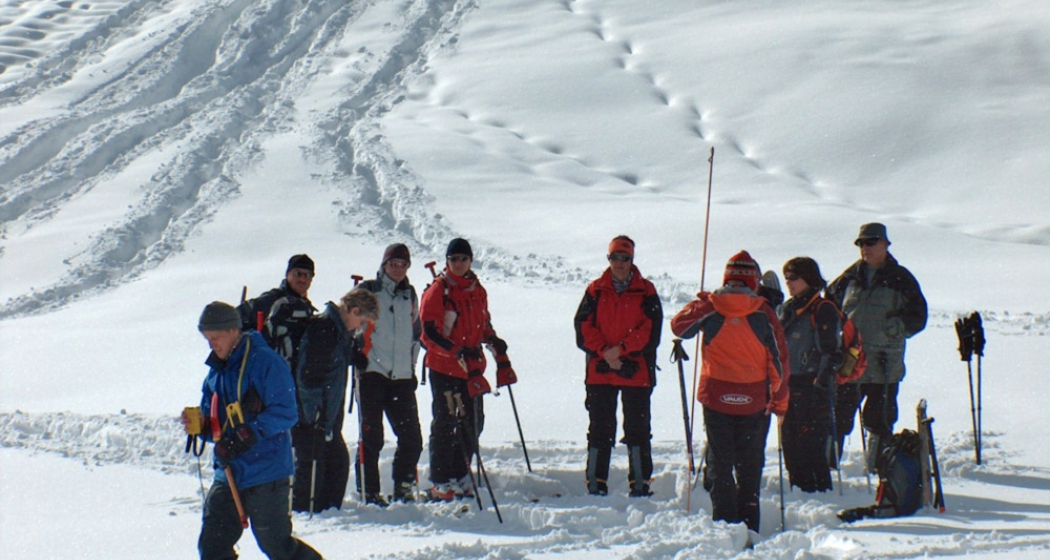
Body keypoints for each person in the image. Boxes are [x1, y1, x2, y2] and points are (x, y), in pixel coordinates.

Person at [182, 301, 322, 560]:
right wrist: (199, 426)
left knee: (276, 545)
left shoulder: (266, 362)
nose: (211, 344)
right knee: (213, 546)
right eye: (207, 339)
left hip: (266, 472)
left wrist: (247, 435)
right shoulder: (216, 371)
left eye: (215, 338)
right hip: (228, 472)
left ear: (233, 331)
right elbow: (215, 424)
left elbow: (287, 412)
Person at [670, 250, 790, 533]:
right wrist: (781, 402)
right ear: (753, 281)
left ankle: (724, 524)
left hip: (716, 398)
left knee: (720, 464)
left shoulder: (711, 307)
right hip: (754, 401)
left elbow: (679, 327)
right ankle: (749, 526)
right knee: (749, 465)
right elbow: (779, 362)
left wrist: (700, 302)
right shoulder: (764, 312)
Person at [826, 223, 927, 471]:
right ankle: (827, 470)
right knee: (837, 418)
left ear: (885, 244)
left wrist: (894, 328)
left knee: (880, 421)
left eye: (871, 242)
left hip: (884, 363)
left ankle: (877, 472)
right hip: (851, 362)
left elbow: (919, 317)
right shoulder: (848, 278)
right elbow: (827, 307)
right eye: (861, 243)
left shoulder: (901, 278)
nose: (865, 248)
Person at [419, 238, 511, 501]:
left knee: (473, 422)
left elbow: (482, 323)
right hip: (444, 367)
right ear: (447, 262)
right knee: (446, 422)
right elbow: (429, 333)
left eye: (463, 258)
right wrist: (454, 350)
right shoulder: (438, 290)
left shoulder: (476, 289)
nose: (458, 263)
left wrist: (492, 340)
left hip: (470, 367)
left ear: (470, 261)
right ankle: (440, 480)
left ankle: (460, 474)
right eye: (453, 259)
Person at [573, 235, 663, 497]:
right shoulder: (595, 289)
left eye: (624, 258)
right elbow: (582, 328)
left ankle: (639, 483)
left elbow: (651, 332)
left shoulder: (647, 290)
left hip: (636, 372)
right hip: (601, 372)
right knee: (600, 428)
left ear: (632, 260)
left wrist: (620, 350)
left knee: (638, 428)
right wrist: (606, 352)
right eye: (615, 257)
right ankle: (596, 482)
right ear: (608, 259)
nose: (619, 263)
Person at [291, 289, 379, 513]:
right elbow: (307, 379)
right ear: (354, 310)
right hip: (312, 419)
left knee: (336, 466)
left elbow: (330, 366)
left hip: (326, 418)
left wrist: (353, 356)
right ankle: (304, 517)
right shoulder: (324, 330)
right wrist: (313, 418)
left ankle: (327, 514)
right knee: (312, 470)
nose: (361, 328)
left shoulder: (339, 333)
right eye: (362, 321)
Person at [352, 243, 424, 506]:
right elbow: (346, 323)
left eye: (402, 264)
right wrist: (355, 351)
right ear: (384, 265)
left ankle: (403, 486)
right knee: (372, 437)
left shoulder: (409, 295)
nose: (397, 268)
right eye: (393, 263)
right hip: (372, 372)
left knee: (412, 438)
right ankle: (369, 491)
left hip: (402, 377)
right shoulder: (368, 291)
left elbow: (415, 335)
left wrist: (412, 367)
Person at [777, 257, 841, 493]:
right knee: (791, 446)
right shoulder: (788, 308)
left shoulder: (822, 309)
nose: (789, 283)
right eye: (787, 278)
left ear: (809, 279)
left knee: (811, 447)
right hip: (789, 386)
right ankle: (800, 491)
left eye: (794, 278)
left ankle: (819, 493)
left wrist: (821, 384)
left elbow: (831, 352)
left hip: (812, 388)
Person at [238, 254, 317, 340]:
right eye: (298, 274)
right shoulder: (273, 300)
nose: (302, 279)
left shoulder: (307, 308)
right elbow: (235, 318)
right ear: (287, 274)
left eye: (307, 275)